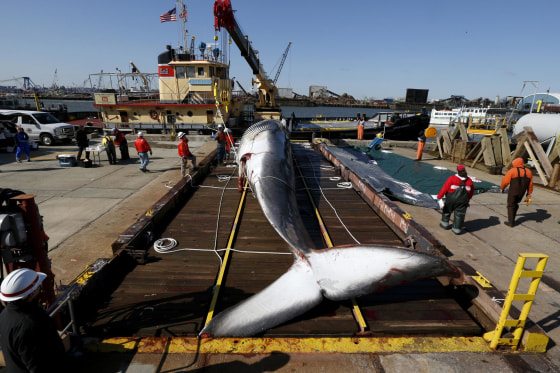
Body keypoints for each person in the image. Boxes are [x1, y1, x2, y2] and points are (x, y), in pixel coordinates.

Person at [0, 268, 69, 372]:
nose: (39, 288)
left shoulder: (5, 315)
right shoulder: (29, 325)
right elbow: (37, 366)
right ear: (31, 294)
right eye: (37, 287)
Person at [437, 164, 474, 235]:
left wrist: (439, 197)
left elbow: (444, 188)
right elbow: (471, 192)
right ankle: (456, 229)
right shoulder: (469, 181)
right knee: (459, 214)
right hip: (463, 201)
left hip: (451, 199)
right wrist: (467, 200)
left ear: (457, 171)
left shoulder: (452, 178)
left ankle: (444, 223)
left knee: (447, 210)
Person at [501, 157, 533, 227]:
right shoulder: (528, 172)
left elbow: (505, 181)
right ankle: (513, 219)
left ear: (515, 164)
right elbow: (530, 185)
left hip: (513, 191)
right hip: (521, 193)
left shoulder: (512, 171)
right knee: (515, 204)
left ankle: (510, 222)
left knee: (510, 205)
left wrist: (502, 188)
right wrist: (529, 193)